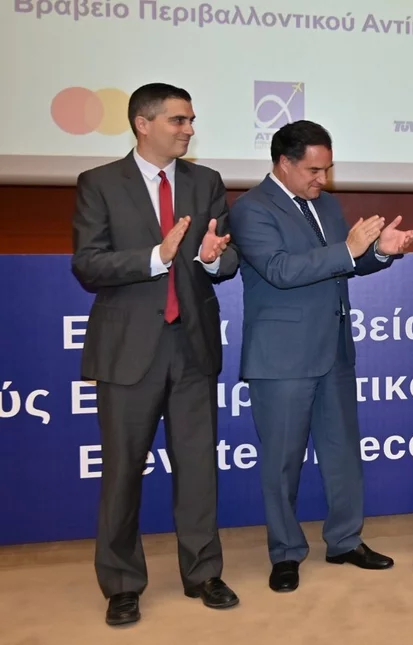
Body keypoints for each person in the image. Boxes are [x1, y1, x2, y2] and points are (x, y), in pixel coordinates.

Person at [71, 82, 240, 626]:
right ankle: (122, 584)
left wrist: (212, 258)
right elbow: (88, 264)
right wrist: (154, 256)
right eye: (178, 120)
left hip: (192, 346)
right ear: (143, 124)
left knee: (198, 467)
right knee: (122, 473)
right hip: (129, 350)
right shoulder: (99, 183)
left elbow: (226, 259)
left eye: (191, 120)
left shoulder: (205, 182)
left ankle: (204, 572)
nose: (189, 129)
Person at [228, 120, 413, 592]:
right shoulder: (251, 208)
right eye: (314, 170)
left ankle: (345, 541)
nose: (323, 179)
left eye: (327, 169)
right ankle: (286, 553)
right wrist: (350, 249)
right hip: (281, 358)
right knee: (282, 464)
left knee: (342, 454)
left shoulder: (326, 205)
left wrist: (380, 254)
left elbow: (343, 265)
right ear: (283, 163)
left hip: (334, 350)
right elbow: (279, 270)